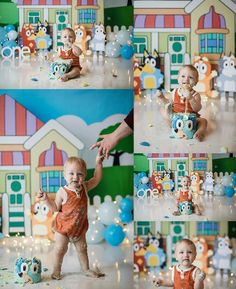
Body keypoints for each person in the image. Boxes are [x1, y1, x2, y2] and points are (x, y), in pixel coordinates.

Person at [36, 154, 105, 280]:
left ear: (84, 176)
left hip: (79, 228)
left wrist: (98, 164)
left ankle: (86, 269)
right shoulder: (62, 191)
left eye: (80, 174)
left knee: (82, 249)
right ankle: (56, 271)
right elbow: (55, 208)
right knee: (60, 249)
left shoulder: (84, 187)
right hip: (63, 228)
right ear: (65, 175)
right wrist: (46, 200)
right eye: (71, 173)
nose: (75, 177)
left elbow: (96, 179)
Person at [159, 65, 207, 141]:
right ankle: (171, 123)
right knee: (163, 110)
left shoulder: (196, 95)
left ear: (196, 82)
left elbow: (197, 108)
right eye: (183, 76)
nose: (186, 79)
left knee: (203, 121)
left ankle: (199, 133)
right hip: (176, 116)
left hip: (191, 118)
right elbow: (169, 104)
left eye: (191, 77)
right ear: (178, 79)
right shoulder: (174, 92)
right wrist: (161, 97)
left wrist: (191, 98)